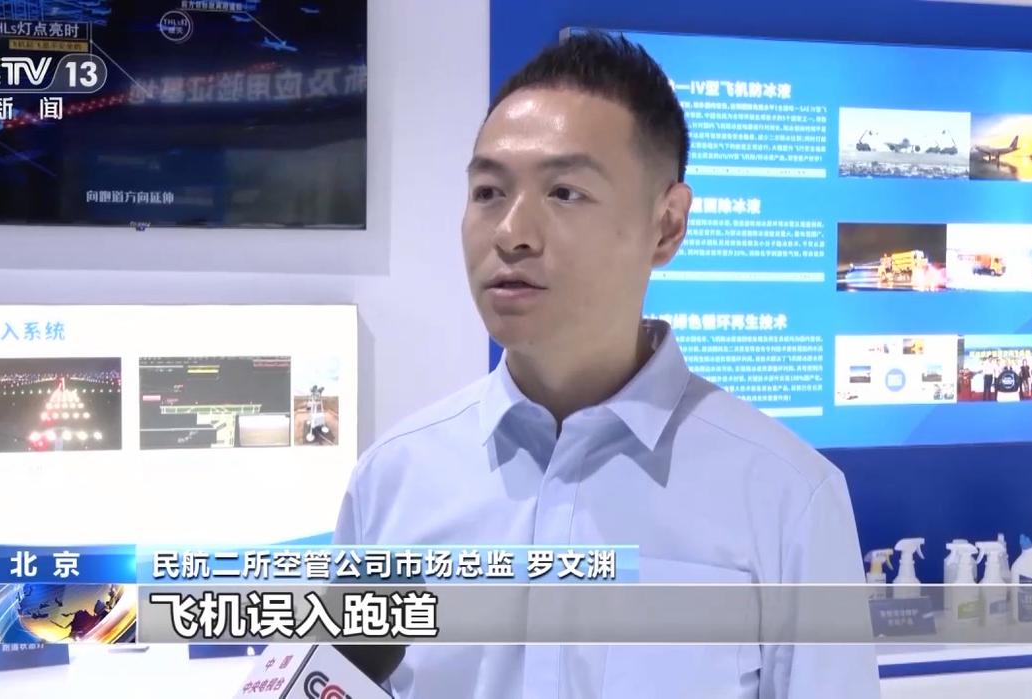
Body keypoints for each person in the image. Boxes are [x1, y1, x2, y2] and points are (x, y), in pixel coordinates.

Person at [333, 31, 879, 698]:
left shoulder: (787, 497)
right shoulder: (393, 482)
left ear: (668, 225)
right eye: (488, 191)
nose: (511, 232)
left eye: (564, 192)